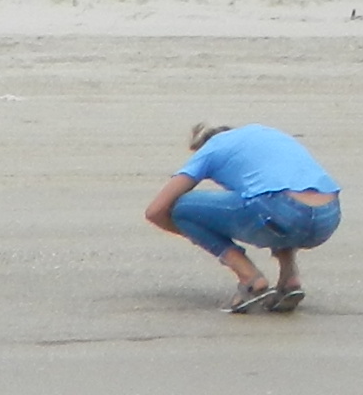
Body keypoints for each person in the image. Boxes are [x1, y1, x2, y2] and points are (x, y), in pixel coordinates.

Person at [143, 120, 341, 314]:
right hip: (327, 217)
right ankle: (289, 278)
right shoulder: (265, 134)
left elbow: (155, 211)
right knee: (268, 204)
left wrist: (202, 235)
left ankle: (250, 278)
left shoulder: (211, 149)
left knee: (181, 208)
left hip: (281, 211)